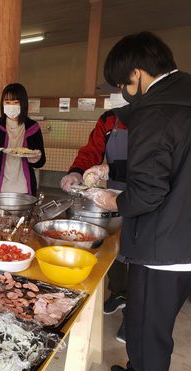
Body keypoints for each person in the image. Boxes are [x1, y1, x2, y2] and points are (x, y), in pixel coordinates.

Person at [88, 31, 191, 371]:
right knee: (146, 322)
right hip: (187, 234)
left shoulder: (156, 110)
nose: (122, 90)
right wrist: (114, 168)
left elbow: (148, 192)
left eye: (121, 82)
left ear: (136, 73)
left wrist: (113, 198)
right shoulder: (188, 98)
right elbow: (175, 163)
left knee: (149, 332)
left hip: (162, 244)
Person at [60, 109, 129, 343]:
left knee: (139, 254)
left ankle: (134, 317)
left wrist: (110, 168)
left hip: (147, 194)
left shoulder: (154, 114)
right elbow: (92, 151)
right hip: (113, 196)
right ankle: (119, 293)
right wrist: (76, 172)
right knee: (115, 249)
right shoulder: (109, 119)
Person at [0, 83, 45, 194]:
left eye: (15, 102)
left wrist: (36, 158)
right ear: (3, 104)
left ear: (23, 104)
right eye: (8, 102)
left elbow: (41, 162)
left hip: (24, 190)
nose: (11, 106)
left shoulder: (33, 128)